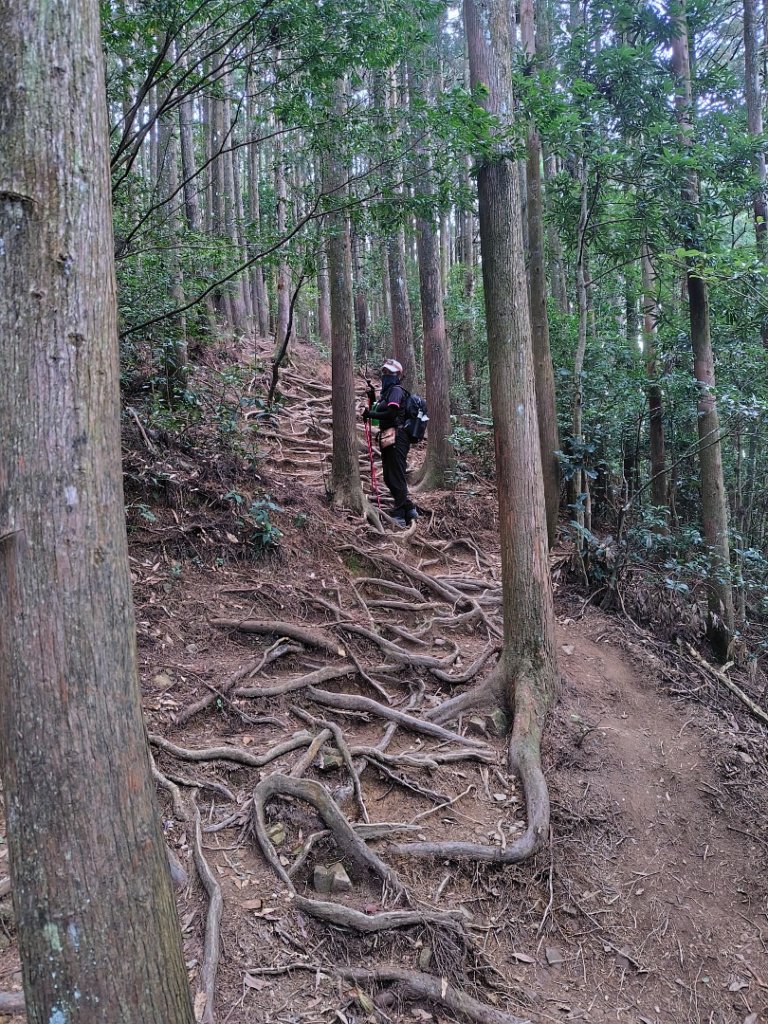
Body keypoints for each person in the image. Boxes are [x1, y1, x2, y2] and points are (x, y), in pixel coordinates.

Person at [362, 358, 418, 527]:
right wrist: (372, 396)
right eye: (384, 372)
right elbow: (381, 414)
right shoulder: (387, 394)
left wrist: (370, 415)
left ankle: (400, 514)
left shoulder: (396, 391)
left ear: (397, 375)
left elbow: (392, 414)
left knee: (395, 476)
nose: (386, 375)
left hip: (398, 437)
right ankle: (409, 509)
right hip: (388, 437)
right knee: (388, 476)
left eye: (389, 373)